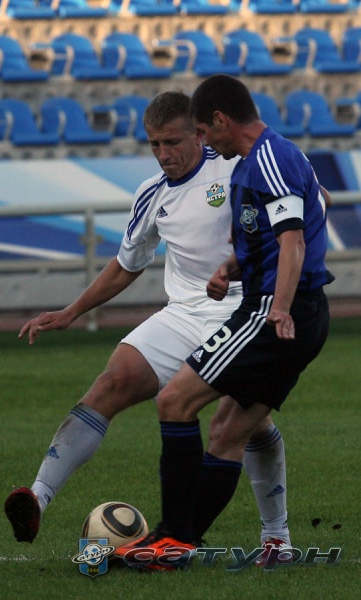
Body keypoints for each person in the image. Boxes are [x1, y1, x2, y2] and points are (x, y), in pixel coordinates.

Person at [4, 91, 292, 559]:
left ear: (199, 135)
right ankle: (36, 498)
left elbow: (302, 202)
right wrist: (72, 311)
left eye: (172, 142)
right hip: (183, 313)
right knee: (111, 382)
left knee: (246, 424)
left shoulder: (237, 166)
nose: (163, 154)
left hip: (247, 311)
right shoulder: (152, 193)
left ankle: (276, 536)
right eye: (154, 144)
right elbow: (126, 264)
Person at [114, 75, 335, 569]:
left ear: (219, 120)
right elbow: (306, 215)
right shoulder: (255, 164)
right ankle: (186, 542)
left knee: (174, 401)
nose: (203, 142)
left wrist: (278, 306)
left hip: (273, 312)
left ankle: (172, 536)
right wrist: (232, 268)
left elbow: (293, 240)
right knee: (228, 432)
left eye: (202, 131)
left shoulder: (269, 159)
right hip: (298, 313)